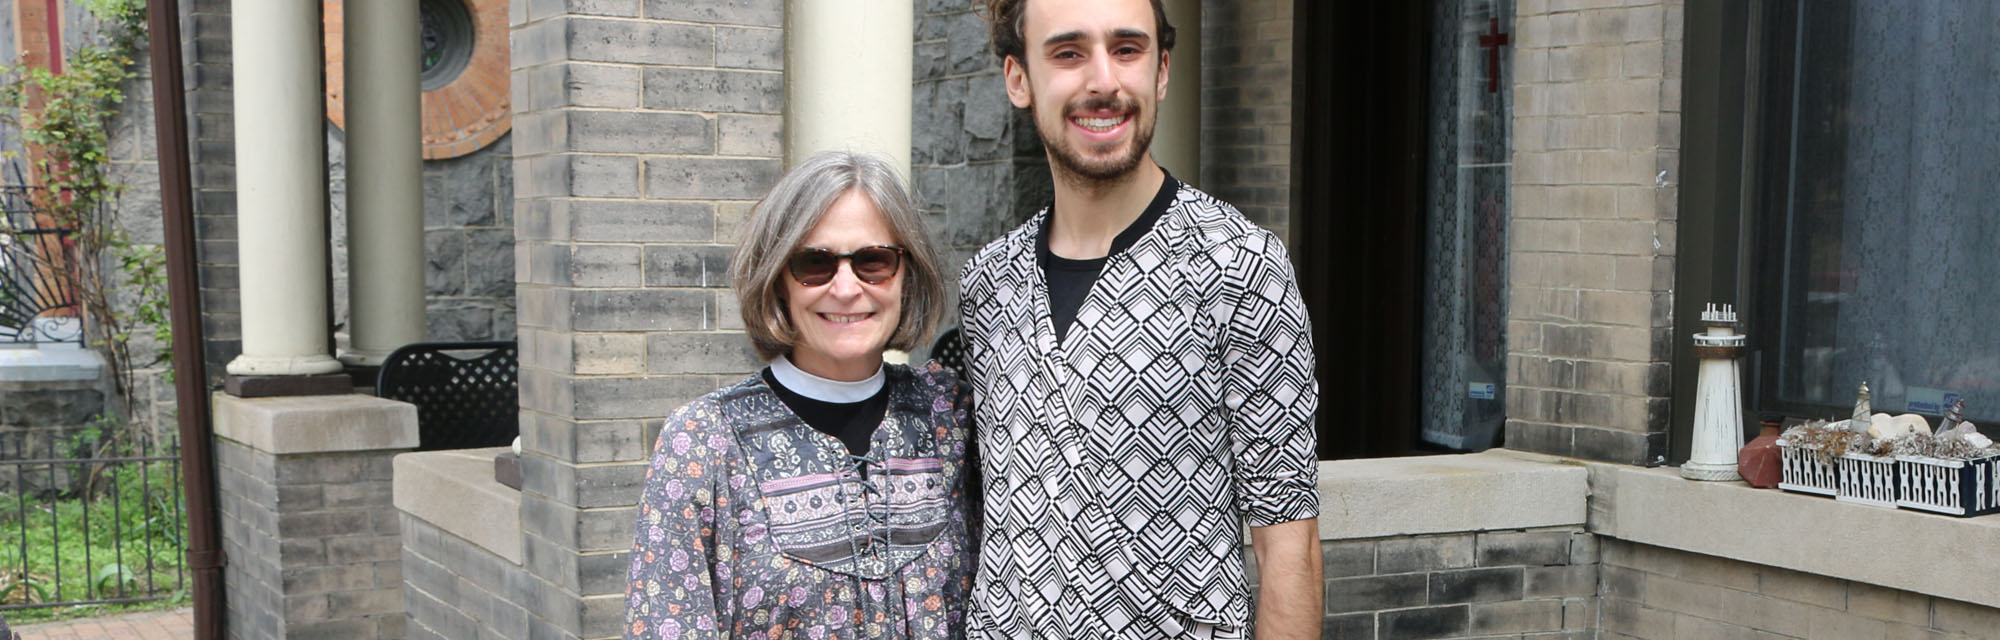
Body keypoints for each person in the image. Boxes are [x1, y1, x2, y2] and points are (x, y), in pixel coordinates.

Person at [957, 0, 1323, 638]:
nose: (1104, 81)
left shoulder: (1238, 266)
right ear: (1018, 79)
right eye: (1069, 53)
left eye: (1127, 49)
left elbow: (1288, 544)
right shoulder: (988, 283)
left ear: (1161, 71)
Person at [624, 151, 975, 640]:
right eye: (815, 263)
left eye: (874, 261)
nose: (847, 288)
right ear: (778, 279)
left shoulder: (951, 419)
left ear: (906, 274)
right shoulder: (704, 442)